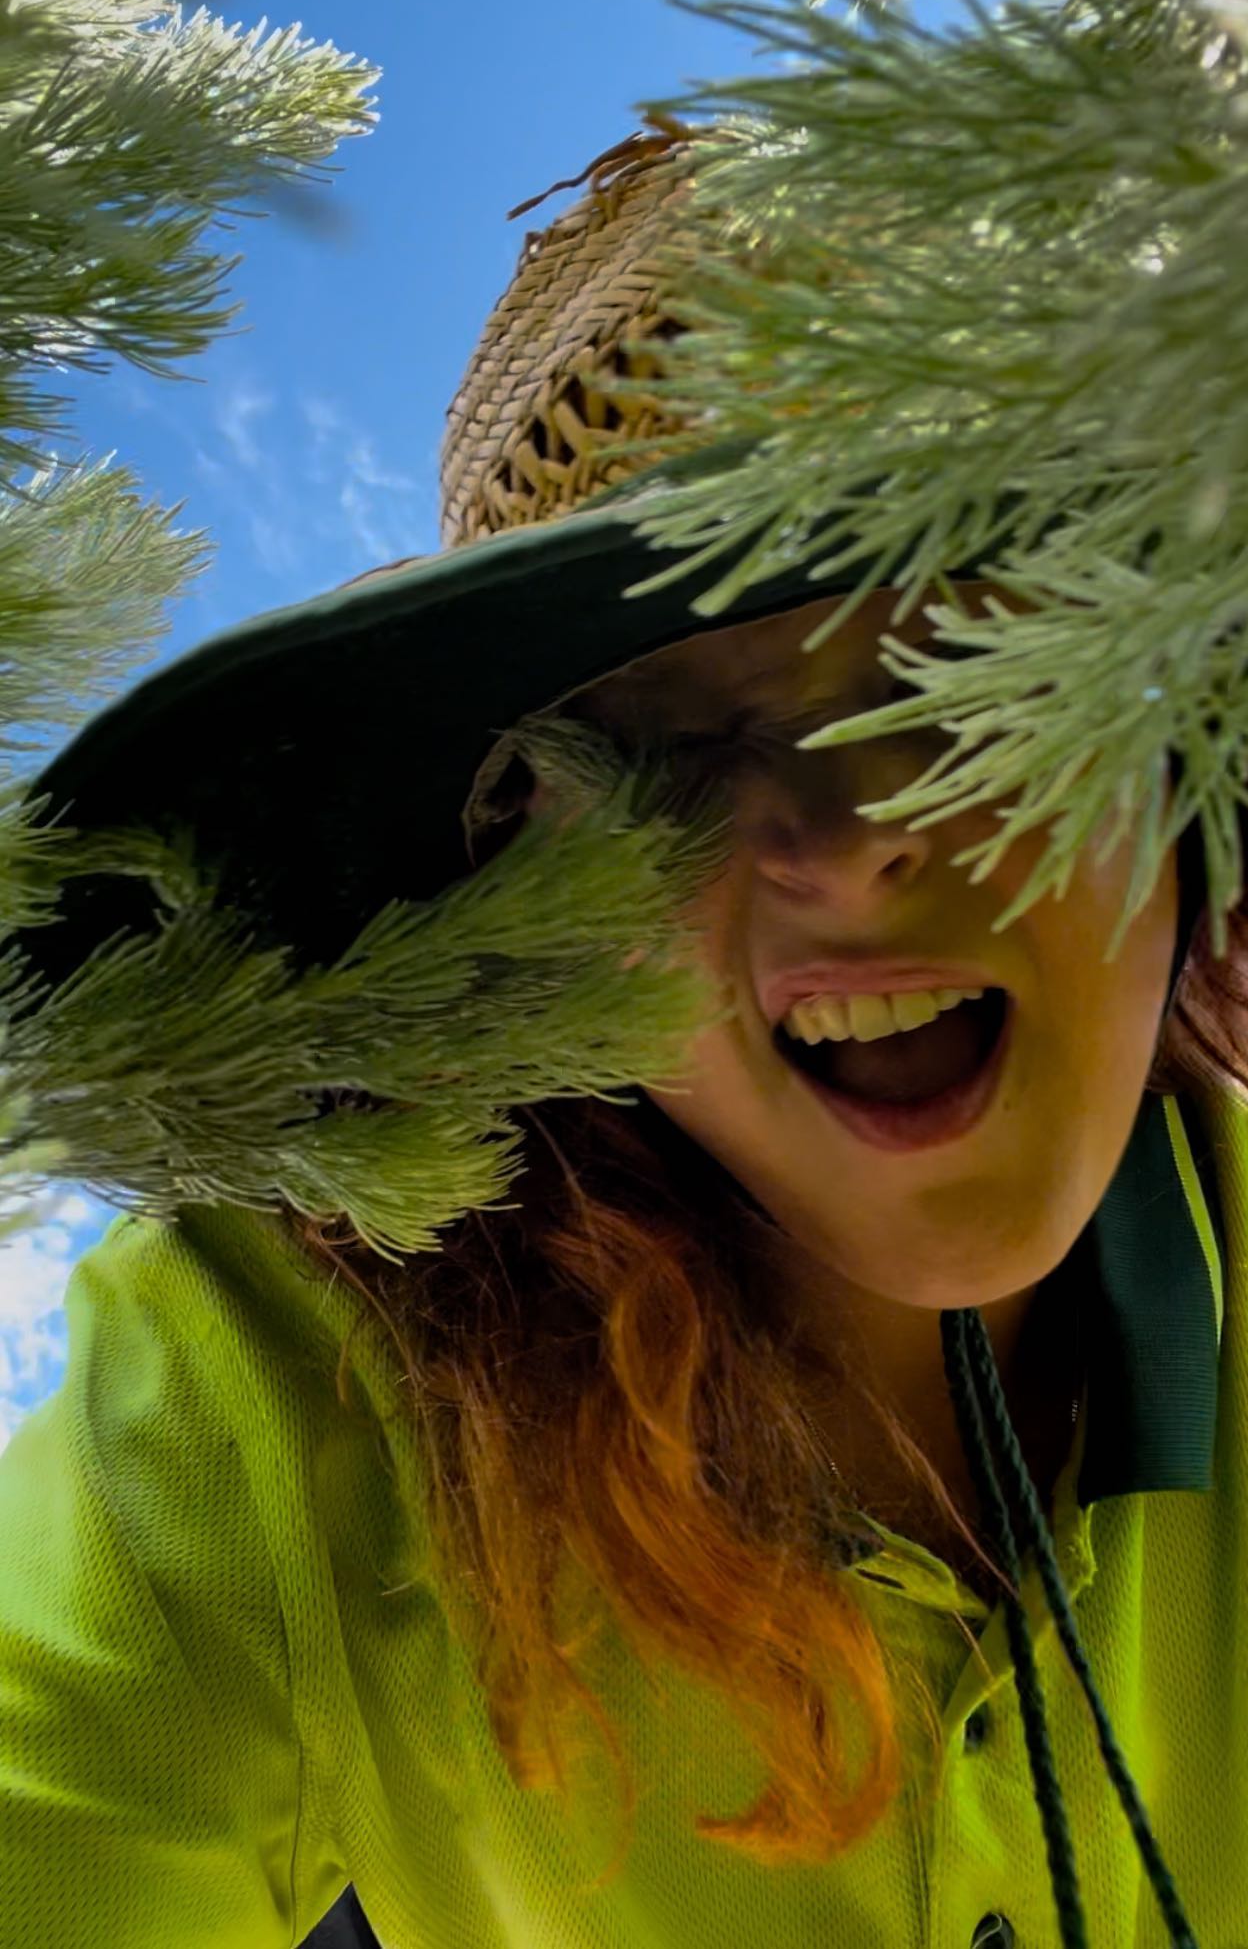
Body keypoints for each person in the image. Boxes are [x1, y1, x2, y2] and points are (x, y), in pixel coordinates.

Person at [0, 120, 1241, 1949]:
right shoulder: (280, 1366)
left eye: (967, 669)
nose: (837, 841)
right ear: (517, 889)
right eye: (660, 753)